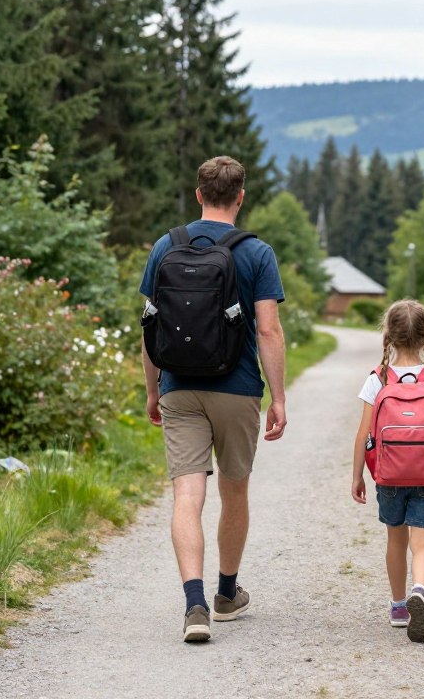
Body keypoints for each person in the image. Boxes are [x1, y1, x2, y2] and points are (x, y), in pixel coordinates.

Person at [140, 155, 287, 643]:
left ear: (199, 194)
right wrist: (279, 399)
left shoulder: (166, 246)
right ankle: (226, 592)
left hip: (178, 385)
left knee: (187, 494)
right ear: (241, 196)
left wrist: (153, 390)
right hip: (238, 387)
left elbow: (148, 326)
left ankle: (194, 604)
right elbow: (268, 329)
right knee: (234, 490)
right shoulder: (257, 253)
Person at [350, 299, 424, 644]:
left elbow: (364, 433)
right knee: (423, 542)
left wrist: (357, 476)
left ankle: (399, 606)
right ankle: (420, 590)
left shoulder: (379, 378)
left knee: (395, 539)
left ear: (388, 336)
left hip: (389, 476)